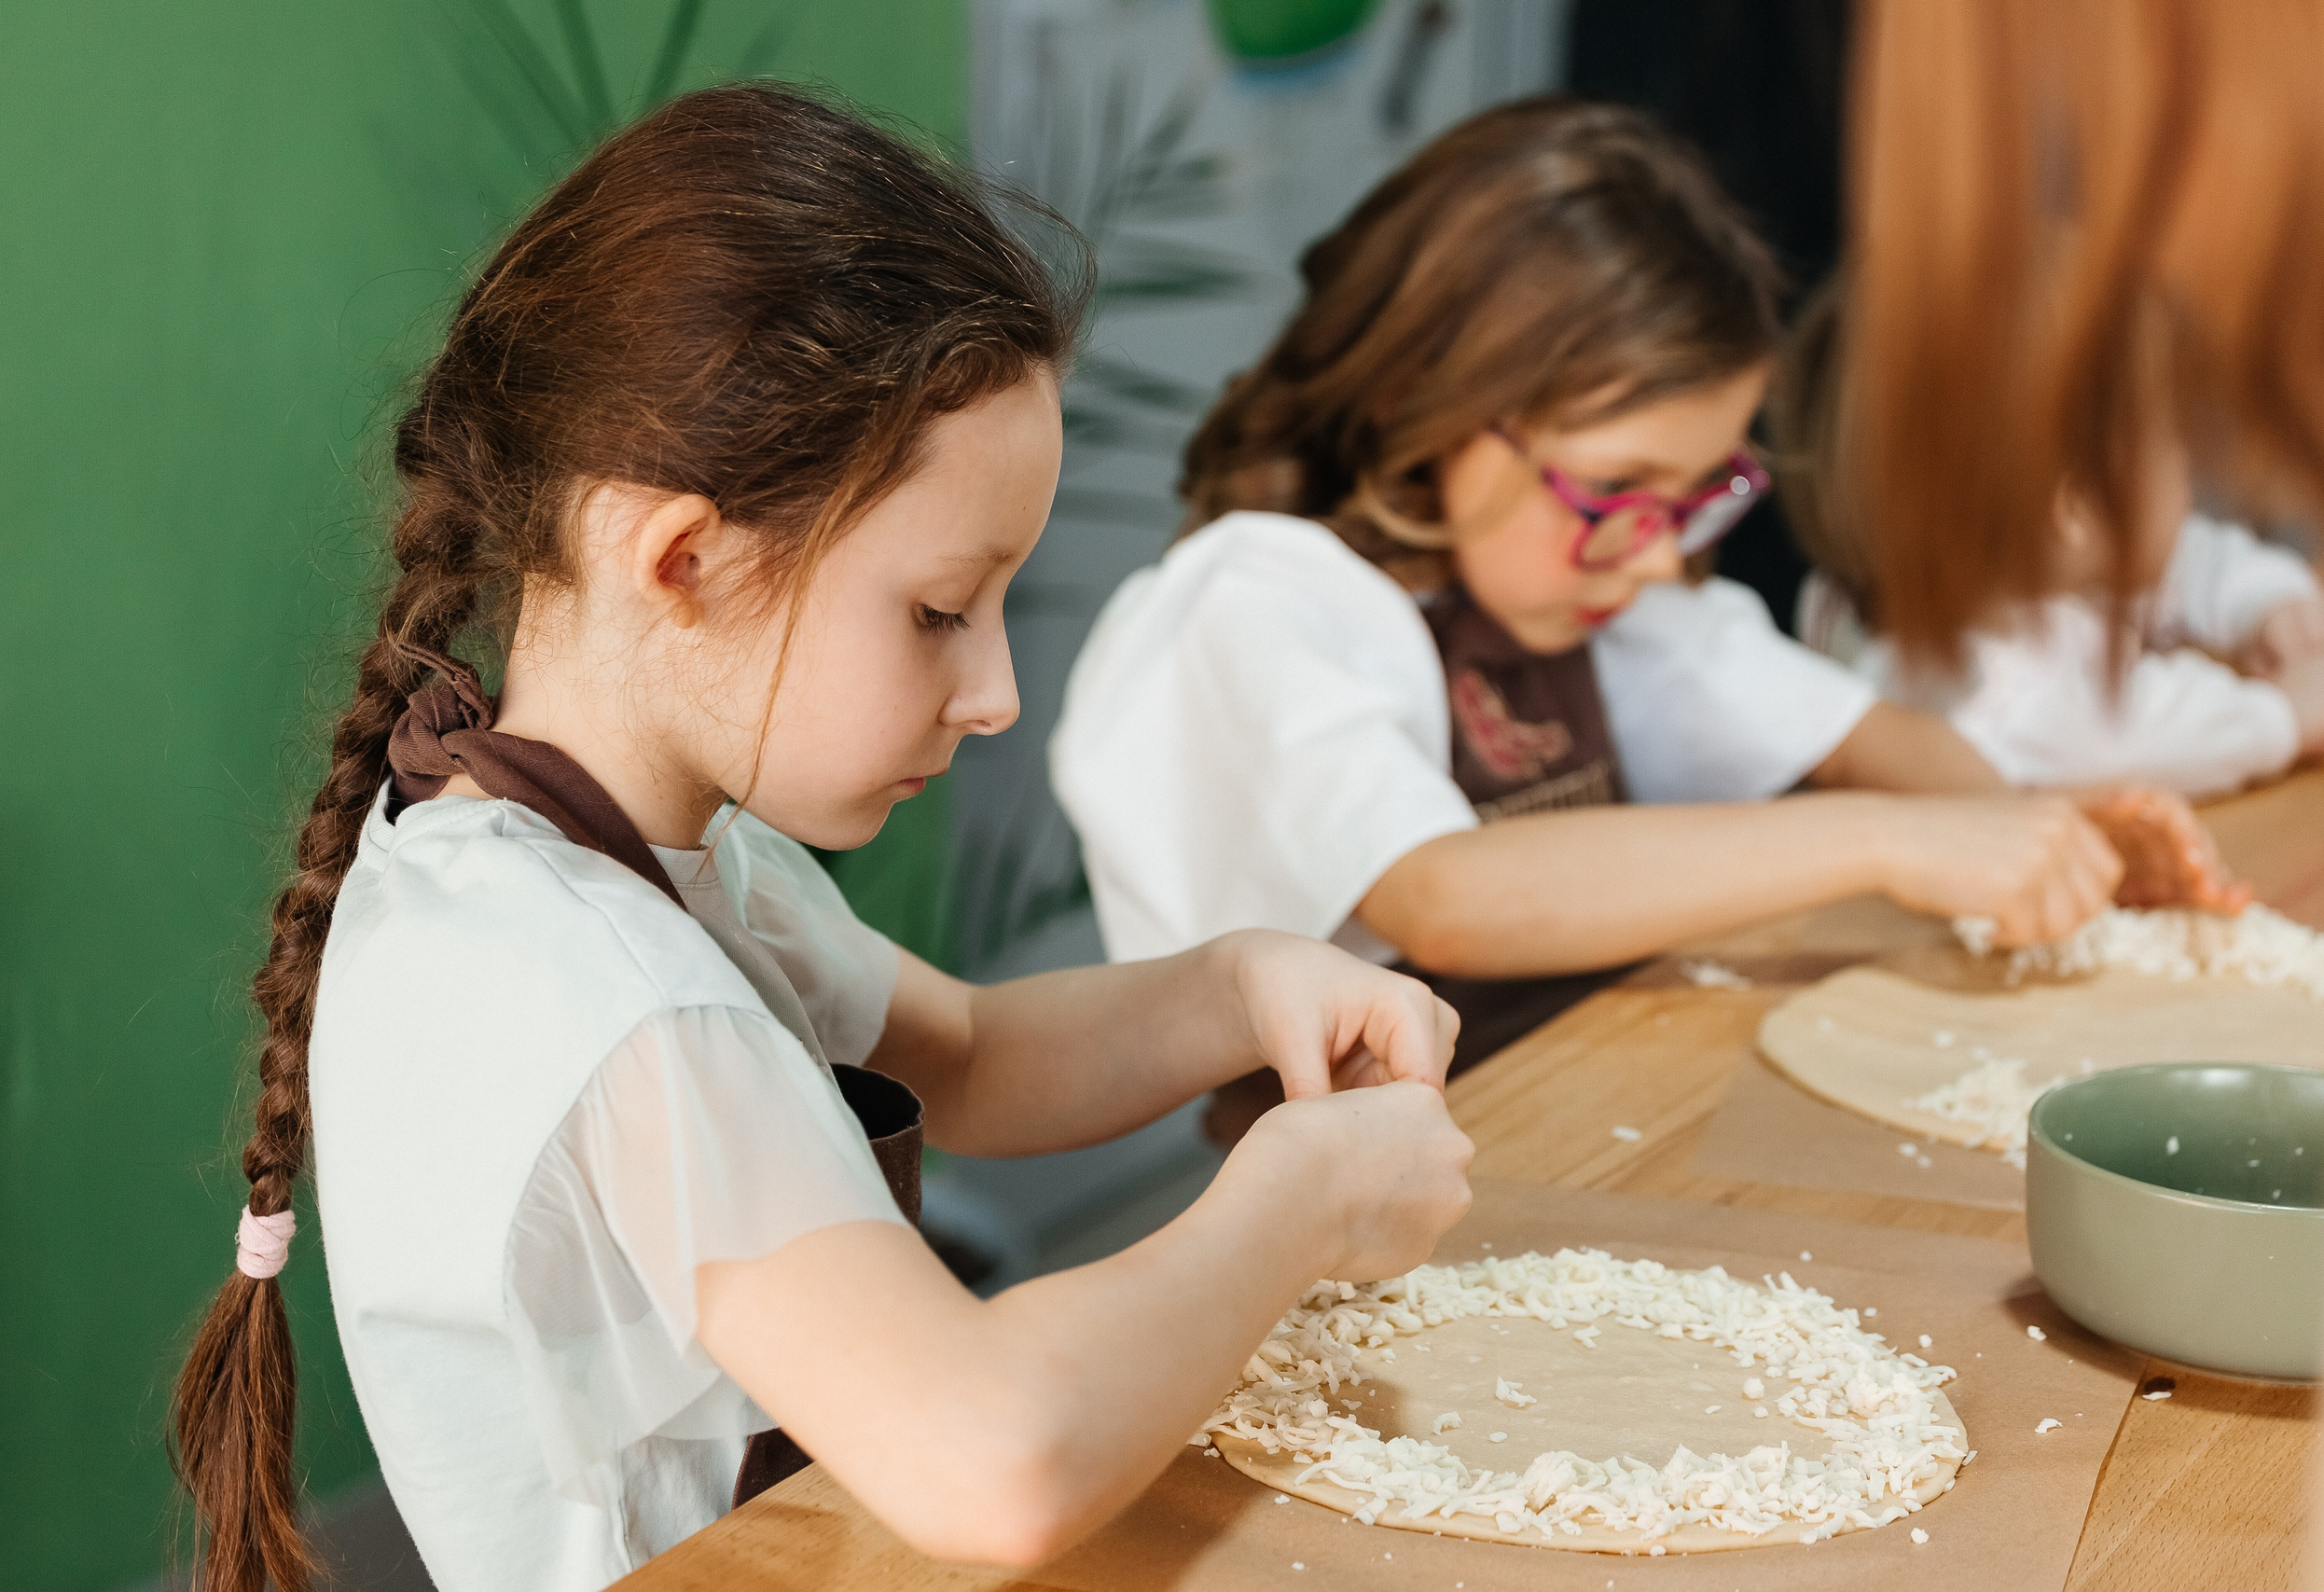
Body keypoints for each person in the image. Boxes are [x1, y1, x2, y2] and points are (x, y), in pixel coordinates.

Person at [167, 88, 1476, 1592]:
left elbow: (971, 1052)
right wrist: (1298, 1203)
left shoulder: (598, 853)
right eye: (938, 613)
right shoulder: (611, 1001)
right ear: (682, 558)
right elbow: (992, 1455)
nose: (995, 694)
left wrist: (1241, 984)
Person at [1048, 100, 2239, 1109]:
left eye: (1697, 491)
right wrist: (1888, 839)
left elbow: (1892, 747)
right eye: (1613, 487)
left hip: (1580, 1118)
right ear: (1435, 397)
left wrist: (2041, 832)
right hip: (1333, 1221)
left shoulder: (1601, 590)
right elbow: (1448, 899)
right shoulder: (1258, 603)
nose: (1657, 549)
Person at [1836, 4, 2324, 1585]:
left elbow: (2197, 561)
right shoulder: (1997, 650)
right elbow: (2101, 714)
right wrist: (2293, 702)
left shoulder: (2129, 537)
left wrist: (2274, 601)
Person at [1774, 284, 2324, 797]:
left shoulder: (2021, 571)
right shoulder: (1959, 674)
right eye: (2171, 440)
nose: (2187, 471)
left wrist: (2271, 607)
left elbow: (2192, 555)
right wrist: (2286, 717)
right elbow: (2106, 738)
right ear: (2073, 509)